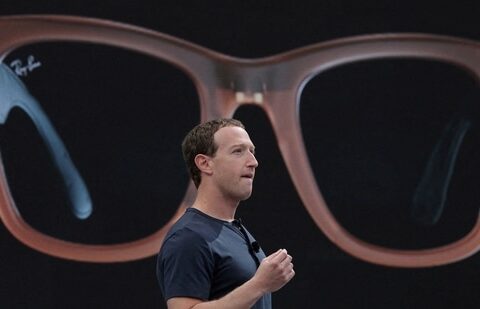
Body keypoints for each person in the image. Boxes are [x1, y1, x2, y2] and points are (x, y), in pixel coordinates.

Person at [156, 118, 295, 309]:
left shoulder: (234, 230)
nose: (253, 162)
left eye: (252, 152)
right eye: (238, 151)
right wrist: (260, 284)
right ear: (205, 163)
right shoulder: (188, 237)